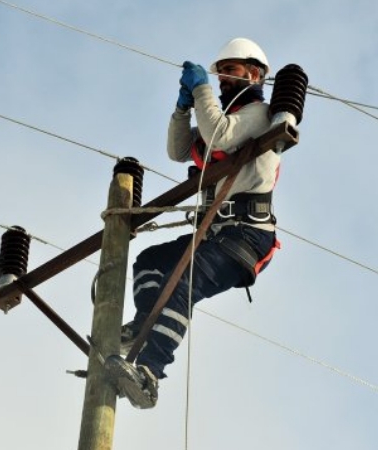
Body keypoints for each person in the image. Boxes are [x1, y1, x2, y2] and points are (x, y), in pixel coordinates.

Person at [105, 38, 282, 409]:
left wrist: (201, 88)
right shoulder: (217, 118)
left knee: (184, 284)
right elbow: (178, 150)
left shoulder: (259, 115)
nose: (221, 79)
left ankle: (150, 373)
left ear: (254, 73)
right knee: (150, 263)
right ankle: (144, 323)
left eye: (229, 71)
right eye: (218, 73)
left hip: (246, 236)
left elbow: (219, 134)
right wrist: (181, 108)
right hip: (218, 232)